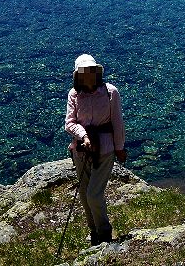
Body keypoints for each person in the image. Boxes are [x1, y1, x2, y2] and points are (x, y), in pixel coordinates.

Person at [64, 54, 127, 245]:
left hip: (105, 150)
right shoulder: (74, 94)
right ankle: (94, 232)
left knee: (93, 194)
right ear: (78, 76)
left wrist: (119, 148)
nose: (88, 75)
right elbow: (69, 123)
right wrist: (84, 136)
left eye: (91, 71)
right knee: (85, 195)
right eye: (84, 72)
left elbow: (117, 122)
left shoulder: (111, 92)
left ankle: (104, 232)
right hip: (81, 151)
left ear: (96, 72)